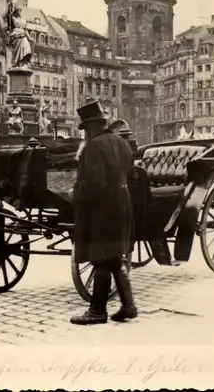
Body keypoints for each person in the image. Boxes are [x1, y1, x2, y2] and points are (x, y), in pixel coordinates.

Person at [70, 100, 137, 325]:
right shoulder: (120, 142)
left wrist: (76, 194)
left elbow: (94, 185)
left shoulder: (93, 147)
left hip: (102, 209)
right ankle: (128, 306)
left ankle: (97, 311)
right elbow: (131, 172)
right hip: (122, 205)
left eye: (86, 129)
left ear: (90, 127)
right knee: (115, 256)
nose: (85, 133)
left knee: (100, 259)